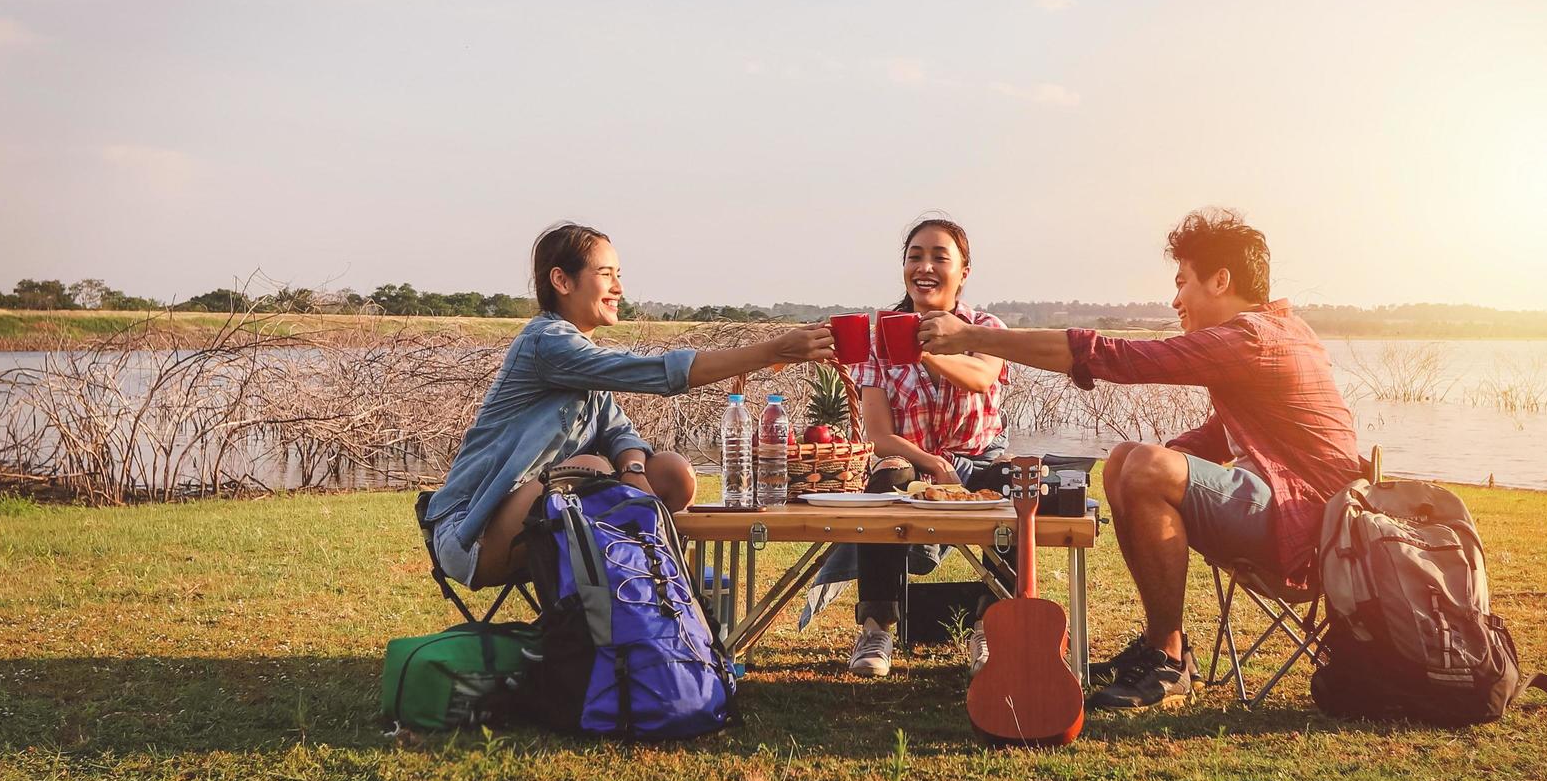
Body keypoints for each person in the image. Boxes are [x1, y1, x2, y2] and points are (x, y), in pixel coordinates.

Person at [919, 208, 1360, 709]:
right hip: (1306, 519)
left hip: (1312, 531)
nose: (1176, 300)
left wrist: (973, 337)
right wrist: (1139, 477)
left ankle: (1169, 660)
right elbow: (1219, 437)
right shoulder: (1275, 333)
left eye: (1182, 282)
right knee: (1128, 458)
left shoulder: (1252, 338)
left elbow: (1124, 358)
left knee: (1142, 464)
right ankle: (1161, 646)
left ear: (1221, 279)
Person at [423, 222, 833, 588]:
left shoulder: (580, 355)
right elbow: (659, 374)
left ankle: (648, 587)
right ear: (562, 281)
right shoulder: (547, 344)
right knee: (593, 472)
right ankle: (644, 585)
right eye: (606, 275)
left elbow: (620, 432)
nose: (619, 288)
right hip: (475, 531)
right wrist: (775, 350)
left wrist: (634, 470)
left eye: (619, 275)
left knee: (672, 473)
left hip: (541, 515)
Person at [835, 217, 1012, 677]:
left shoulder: (986, 327)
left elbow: (981, 377)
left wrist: (926, 348)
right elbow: (878, 433)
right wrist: (931, 463)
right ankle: (877, 627)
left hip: (980, 458)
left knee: (1019, 486)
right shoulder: (878, 337)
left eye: (939, 257)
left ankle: (989, 628)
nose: (925, 267)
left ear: (964, 271)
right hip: (912, 460)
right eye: (915, 256)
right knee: (885, 478)